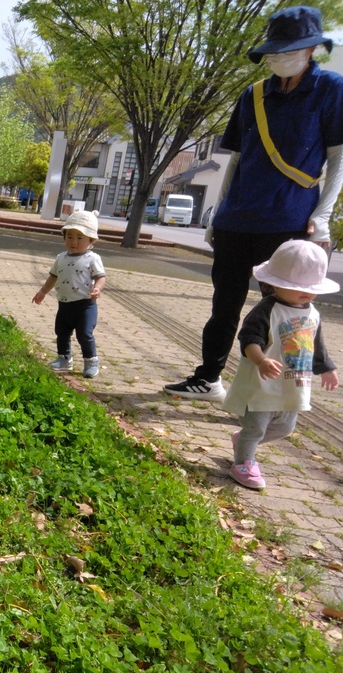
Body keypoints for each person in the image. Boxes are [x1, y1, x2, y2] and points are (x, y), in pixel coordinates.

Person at [165, 6, 343, 401]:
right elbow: (238, 159)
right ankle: (209, 378)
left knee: (286, 315)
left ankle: (272, 395)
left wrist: (323, 213)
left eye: (289, 49)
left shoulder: (331, 89)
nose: (280, 57)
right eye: (275, 51)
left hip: (290, 221)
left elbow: (338, 157)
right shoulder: (254, 95)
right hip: (237, 220)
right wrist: (218, 211)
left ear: (312, 48)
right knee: (223, 306)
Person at [222, 240, 338, 490]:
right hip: (263, 384)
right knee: (255, 428)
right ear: (273, 283)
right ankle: (243, 462)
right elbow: (249, 339)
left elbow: (315, 344)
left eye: (311, 287)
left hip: (293, 384)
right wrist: (261, 360)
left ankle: (243, 442)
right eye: (296, 287)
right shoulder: (267, 310)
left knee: (285, 427)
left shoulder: (312, 313)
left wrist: (327, 367)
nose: (305, 292)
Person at [31, 210, 106, 378]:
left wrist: (98, 289)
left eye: (80, 238)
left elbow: (101, 277)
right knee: (61, 332)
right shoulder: (61, 258)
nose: (74, 241)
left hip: (85, 305)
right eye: (69, 236)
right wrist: (42, 291)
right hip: (64, 304)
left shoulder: (92, 258)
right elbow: (53, 276)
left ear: (91, 240)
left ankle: (91, 360)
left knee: (84, 333)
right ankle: (64, 358)